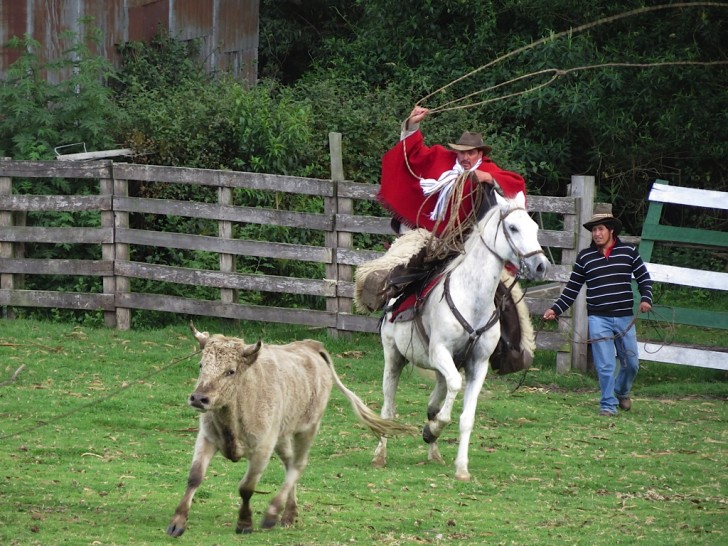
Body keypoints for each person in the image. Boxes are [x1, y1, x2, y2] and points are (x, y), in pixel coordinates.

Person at [543, 213, 653, 416]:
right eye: (594, 230)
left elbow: (644, 278)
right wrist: (555, 309)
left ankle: (621, 391)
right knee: (605, 365)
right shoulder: (585, 257)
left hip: (624, 317)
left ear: (611, 230)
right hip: (597, 318)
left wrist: (646, 298)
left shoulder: (629, 252)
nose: (596, 233)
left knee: (632, 364)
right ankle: (608, 405)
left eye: (601, 229)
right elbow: (572, 288)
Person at [378, 105, 526, 235]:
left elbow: (515, 184)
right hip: (423, 226)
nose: (465, 157)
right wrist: (412, 124)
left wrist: (488, 177)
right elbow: (412, 152)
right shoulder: (441, 156)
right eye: (462, 152)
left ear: (480, 154)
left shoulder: (487, 169)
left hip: (460, 235)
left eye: (471, 153)